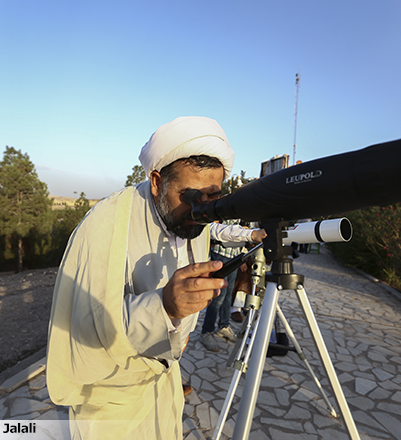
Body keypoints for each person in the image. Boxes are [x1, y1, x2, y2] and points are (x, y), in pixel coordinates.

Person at [46, 116, 237, 439]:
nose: (201, 210)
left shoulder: (196, 223)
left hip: (164, 387)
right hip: (112, 401)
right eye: (191, 197)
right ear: (156, 182)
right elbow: (86, 325)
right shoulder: (105, 223)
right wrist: (163, 307)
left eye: (212, 196)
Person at [200, 220, 266, 351]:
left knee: (229, 294)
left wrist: (243, 255)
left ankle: (224, 326)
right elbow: (216, 228)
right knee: (218, 296)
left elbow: (244, 229)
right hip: (220, 253)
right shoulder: (227, 204)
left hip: (235, 256)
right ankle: (207, 331)